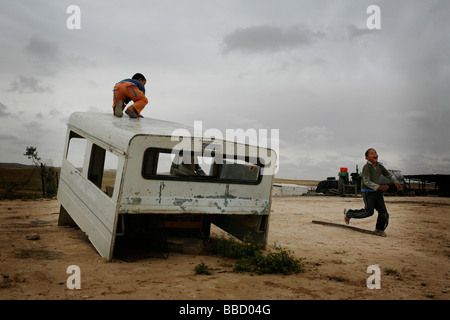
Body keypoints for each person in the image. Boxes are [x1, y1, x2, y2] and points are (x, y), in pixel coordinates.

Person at [343, 148, 403, 237]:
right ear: (367, 158)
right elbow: (366, 181)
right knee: (369, 212)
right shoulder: (366, 167)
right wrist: (379, 186)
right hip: (367, 192)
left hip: (377, 191)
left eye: (375, 152)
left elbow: (388, 174)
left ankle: (379, 229)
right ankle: (349, 213)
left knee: (384, 212)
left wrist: (396, 182)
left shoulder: (379, 166)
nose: (374, 154)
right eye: (371, 153)